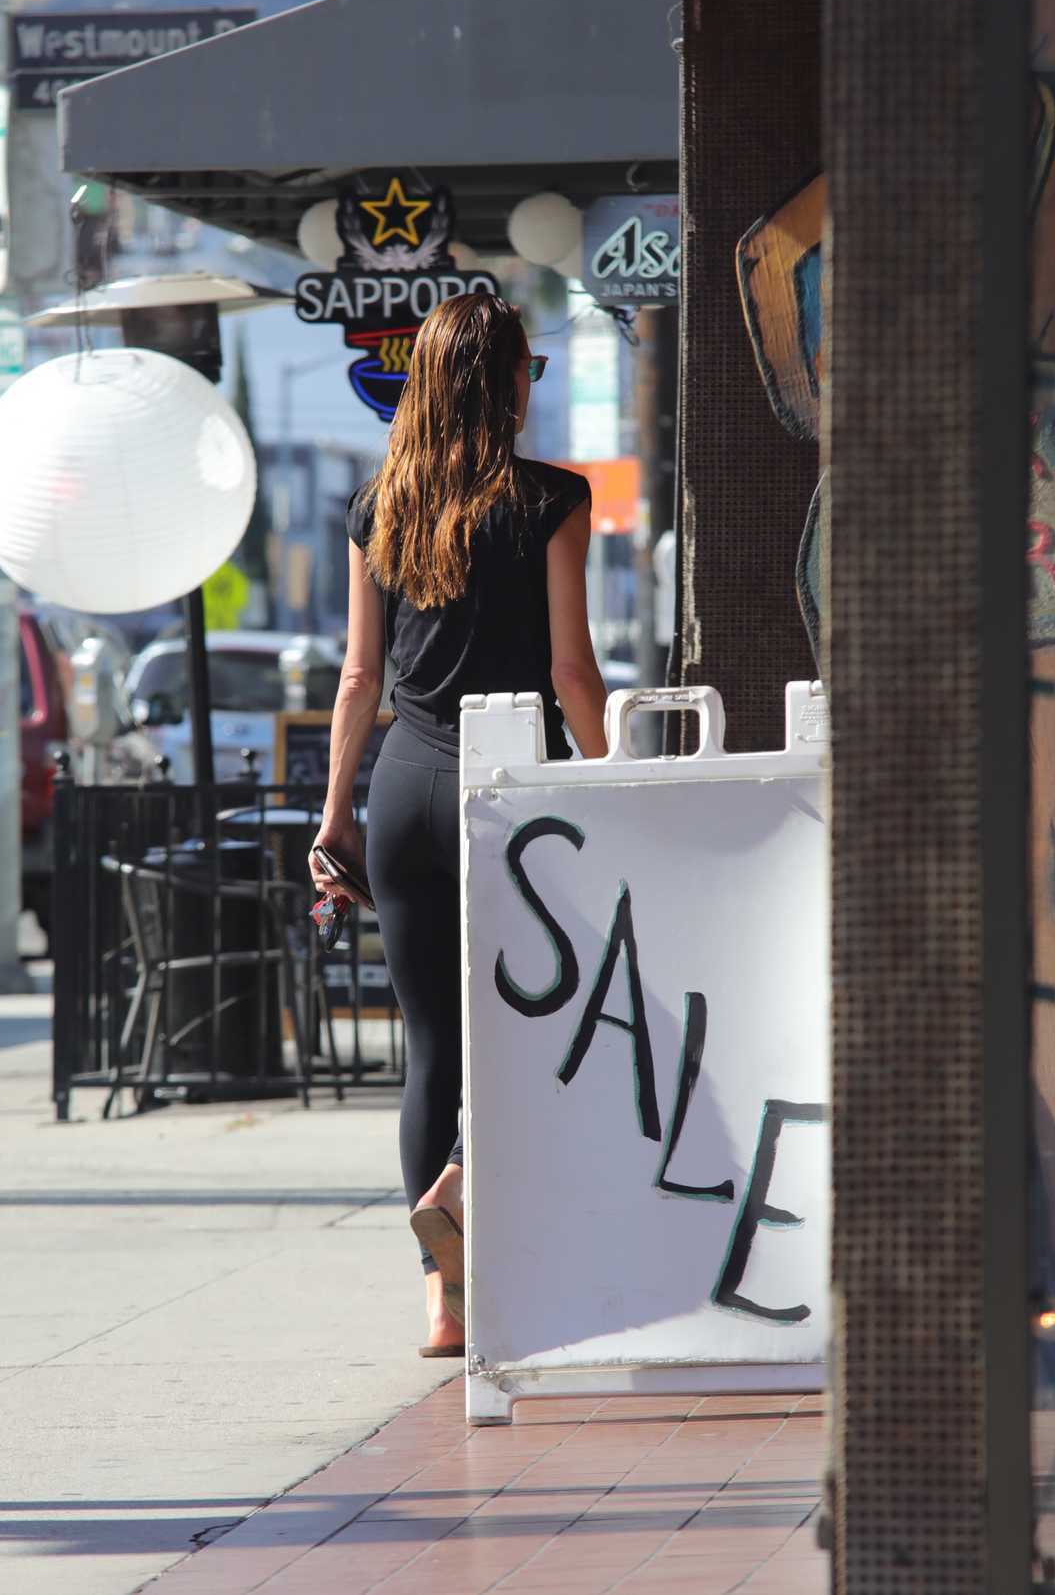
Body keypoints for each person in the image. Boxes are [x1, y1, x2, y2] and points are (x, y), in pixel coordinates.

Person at [309, 292, 609, 1355]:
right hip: (517, 789)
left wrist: (335, 813)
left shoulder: (376, 505)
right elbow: (572, 670)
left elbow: (357, 676)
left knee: (433, 1043)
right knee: (540, 1028)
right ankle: (483, 1209)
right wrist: (612, 775)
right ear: (508, 382)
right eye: (526, 366)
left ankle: (443, 1300)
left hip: (403, 786)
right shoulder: (552, 500)